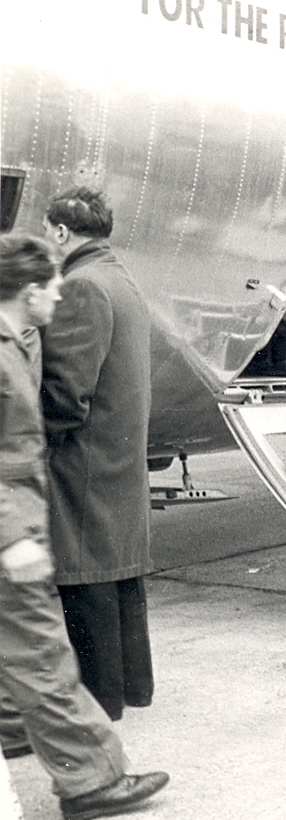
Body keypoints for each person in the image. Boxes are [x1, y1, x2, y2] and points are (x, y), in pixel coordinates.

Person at [0, 233, 168, 820]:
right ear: (26, 291)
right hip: (9, 534)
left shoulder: (12, 342)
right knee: (44, 655)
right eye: (49, 284)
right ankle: (91, 781)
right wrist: (14, 536)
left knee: (19, 654)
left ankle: (13, 729)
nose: (58, 293)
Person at [38, 188, 155, 723]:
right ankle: (131, 687)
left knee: (86, 584)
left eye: (46, 232)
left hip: (85, 464)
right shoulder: (119, 277)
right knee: (118, 579)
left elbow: (64, 393)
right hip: (116, 457)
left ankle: (100, 701)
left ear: (62, 233)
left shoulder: (80, 286)